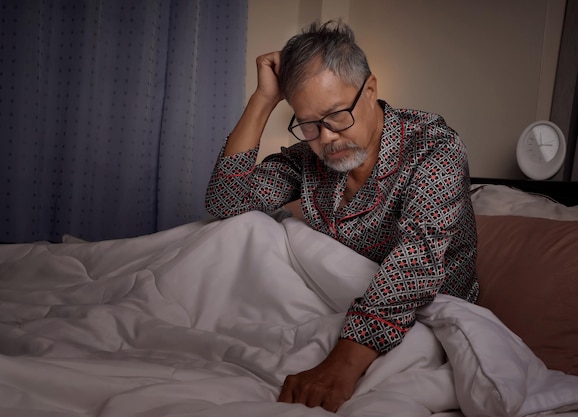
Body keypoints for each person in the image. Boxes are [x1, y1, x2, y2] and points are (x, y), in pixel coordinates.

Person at [205, 20, 478, 412]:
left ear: (370, 90)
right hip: (331, 307)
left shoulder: (434, 150)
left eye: (336, 116)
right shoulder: (310, 158)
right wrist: (264, 99)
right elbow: (227, 202)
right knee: (240, 230)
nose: (327, 137)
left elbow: (414, 265)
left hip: (427, 318)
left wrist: (338, 368)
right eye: (309, 125)